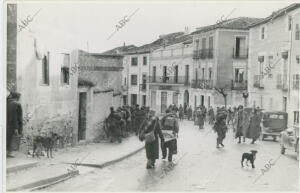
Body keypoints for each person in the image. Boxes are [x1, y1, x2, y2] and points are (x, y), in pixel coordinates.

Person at [7, 92, 23, 157]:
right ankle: (9, 152)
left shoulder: (6, 103)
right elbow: (17, 117)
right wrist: (17, 128)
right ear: (17, 97)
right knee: (12, 138)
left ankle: (8, 152)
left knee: (7, 137)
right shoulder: (17, 104)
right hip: (14, 125)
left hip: (7, 124)